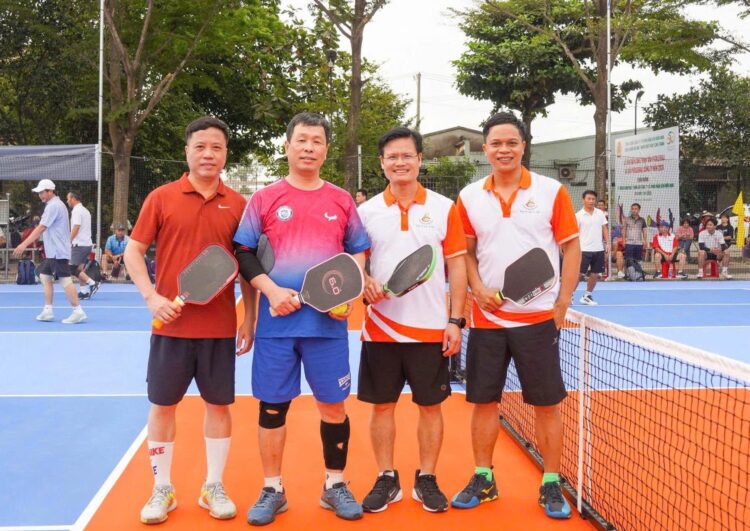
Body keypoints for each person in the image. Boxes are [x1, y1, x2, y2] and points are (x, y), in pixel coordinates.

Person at [233, 112, 370, 525]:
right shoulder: (264, 199)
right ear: (288, 146)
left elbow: (358, 250)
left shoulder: (341, 200)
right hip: (276, 326)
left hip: (327, 328)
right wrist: (272, 292)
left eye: (317, 141)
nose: (309, 148)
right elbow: (243, 252)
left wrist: (348, 290)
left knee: (333, 407)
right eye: (302, 140)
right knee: (272, 409)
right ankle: (273, 489)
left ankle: (335, 485)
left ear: (326, 150)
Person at [123, 116, 255, 525]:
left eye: (216, 147)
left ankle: (212, 485)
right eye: (200, 146)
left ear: (225, 154)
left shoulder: (239, 205)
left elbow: (247, 266)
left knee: (219, 406)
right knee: (163, 406)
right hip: (171, 328)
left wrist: (249, 317)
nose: (208, 154)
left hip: (218, 329)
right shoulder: (161, 198)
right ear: (187, 151)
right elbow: (133, 251)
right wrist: (152, 297)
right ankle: (162, 488)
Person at [452, 112, 581, 519]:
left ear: (524, 146)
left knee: (546, 405)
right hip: (487, 321)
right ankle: (483, 477)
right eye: (496, 143)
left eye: (512, 142)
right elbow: (465, 252)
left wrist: (562, 302)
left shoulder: (551, 191)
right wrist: (477, 287)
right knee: (483, 402)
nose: (504, 149)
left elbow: (571, 247)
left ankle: (551, 482)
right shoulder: (469, 196)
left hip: (538, 321)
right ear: (485, 148)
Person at [357, 127, 467, 514]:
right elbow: (357, 262)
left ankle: (427, 478)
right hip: (381, 328)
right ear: (382, 163)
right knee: (382, 407)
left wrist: (456, 320)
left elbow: (457, 265)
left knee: (430, 407)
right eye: (392, 156)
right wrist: (364, 280)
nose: (400, 162)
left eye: (407, 155)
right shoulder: (366, 212)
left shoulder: (445, 208)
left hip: (430, 329)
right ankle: (386, 477)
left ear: (420, 160)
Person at [12, 180, 86, 323]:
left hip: (58, 251)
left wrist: (24, 244)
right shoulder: (54, 205)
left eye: (42, 192)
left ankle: (78, 311)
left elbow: (41, 227)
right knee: (44, 275)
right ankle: (48, 310)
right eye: (39, 192)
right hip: (54, 252)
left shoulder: (54, 206)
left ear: (50, 191)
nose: (40, 195)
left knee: (65, 280)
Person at [575, 190, 608, 305]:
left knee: (595, 273)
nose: (591, 201)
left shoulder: (600, 213)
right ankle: (570, 295)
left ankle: (587, 296)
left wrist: (607, 243)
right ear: (583, 200)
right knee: (579, 274)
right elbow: (575, 233)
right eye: (589, 199)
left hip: (598, 249)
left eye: (593, 199)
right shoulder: (578, 216)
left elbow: (604, 228)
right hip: (583, 249)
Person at [66, 191, 99, 299]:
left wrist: (68, 240)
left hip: (79, 245)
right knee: (79, 269)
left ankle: (92, 283)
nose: (67, 201)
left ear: (73, 198)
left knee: (71, 269)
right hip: (86, 244)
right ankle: (84, 291)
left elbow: (76, 226)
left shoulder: (77, 211)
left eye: (68, 199)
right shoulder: (85, 210)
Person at [619, 202, 648, 278]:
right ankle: (628, 275)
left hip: (639, 243)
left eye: (636, 209)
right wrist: (624, 240)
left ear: (639, 210)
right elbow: (624, 230)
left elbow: (644, 231)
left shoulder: (642, 220)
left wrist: (645, 241)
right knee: (628, 259)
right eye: (632, 209)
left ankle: (639, 274)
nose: (634, 210)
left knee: (638, 259)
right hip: (629, 243)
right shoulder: (627, 219)